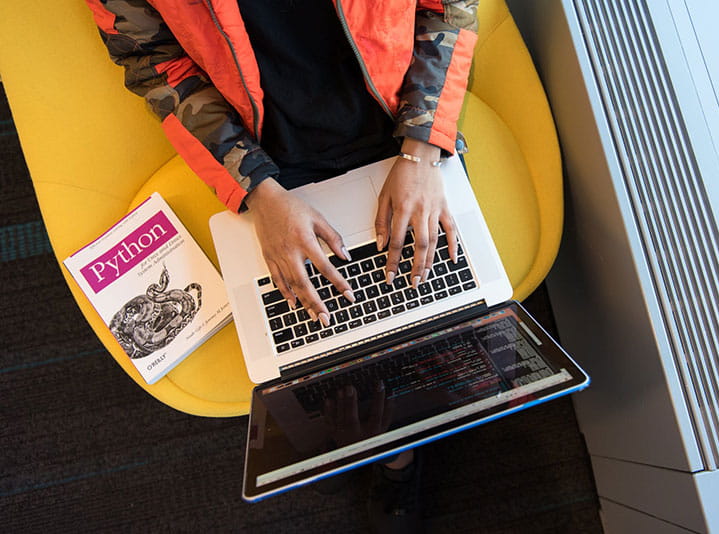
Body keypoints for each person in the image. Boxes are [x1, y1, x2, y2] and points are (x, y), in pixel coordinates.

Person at [86, 0, 479, 530]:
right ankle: (392, 454)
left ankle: (397, 447)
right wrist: (259, 191)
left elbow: (449, 7)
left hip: (400, 126)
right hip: (269, 160)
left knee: (450, 305)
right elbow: (155, 62)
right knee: (320, 336)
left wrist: (422, 149)